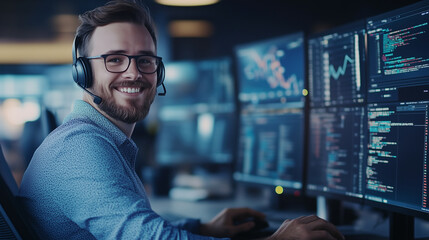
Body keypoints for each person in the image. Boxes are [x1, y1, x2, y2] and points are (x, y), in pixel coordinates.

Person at [18, 1, 345, 239]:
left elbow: (141, 226)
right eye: (114, 59)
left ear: (158, 72)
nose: (133, 72)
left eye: (144, 60)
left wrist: (202, 228)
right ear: (82, 71)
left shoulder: (101, 140)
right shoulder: (79, 148)